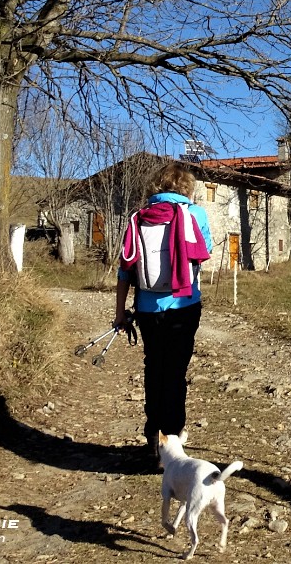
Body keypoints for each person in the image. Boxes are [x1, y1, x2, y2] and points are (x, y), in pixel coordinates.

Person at [114, 160, 213, 462]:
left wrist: (120, 313)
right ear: (186, 188)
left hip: (147, 307)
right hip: (184, 304)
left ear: (156, 186)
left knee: (153, 368)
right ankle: (171, 440)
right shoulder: (194, 214)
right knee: (175, 371)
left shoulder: (138, 218)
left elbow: (125, 270)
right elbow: (203, 254)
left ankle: (152, 436)